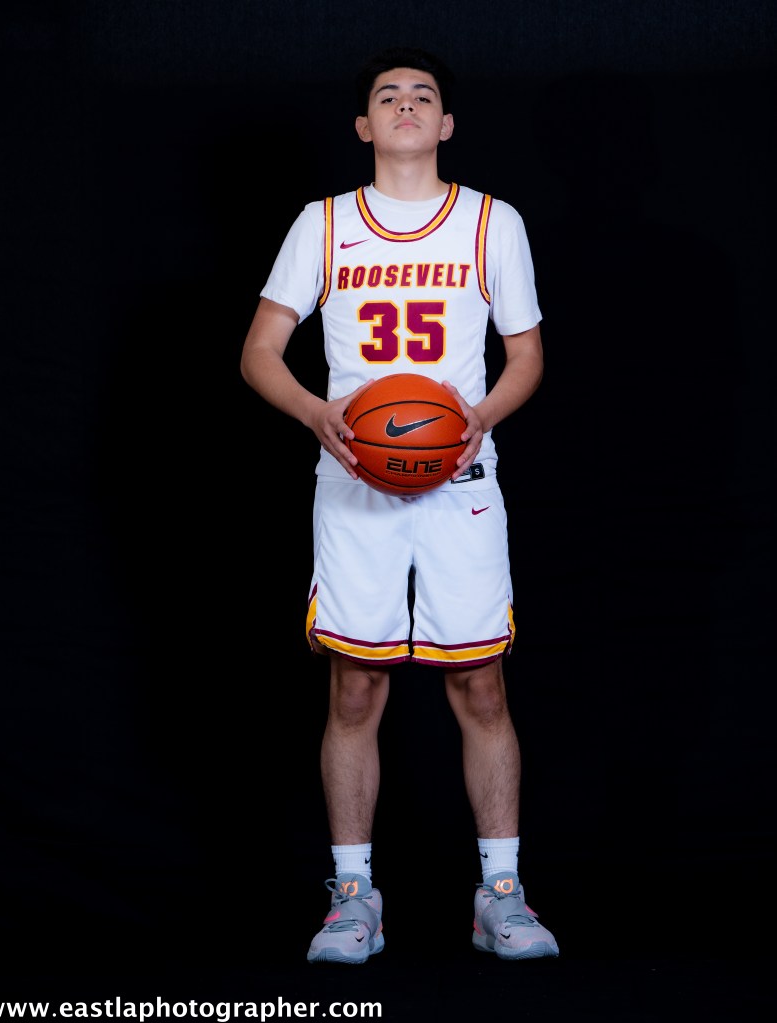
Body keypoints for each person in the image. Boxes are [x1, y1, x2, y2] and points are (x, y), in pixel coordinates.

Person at [240, 45, 559, 965]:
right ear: (364, 125)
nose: (407, 105)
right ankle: (352, 899)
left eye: (423, 96)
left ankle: (500, 893)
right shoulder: (323, 223)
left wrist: (479, 417)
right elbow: (259, 350)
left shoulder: (492, 221)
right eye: (388, 96)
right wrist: (316, 412)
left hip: (459, 481)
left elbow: (525, 355)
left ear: (446, 123)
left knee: (479, 682)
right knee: (355, 684)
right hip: (354, 480)